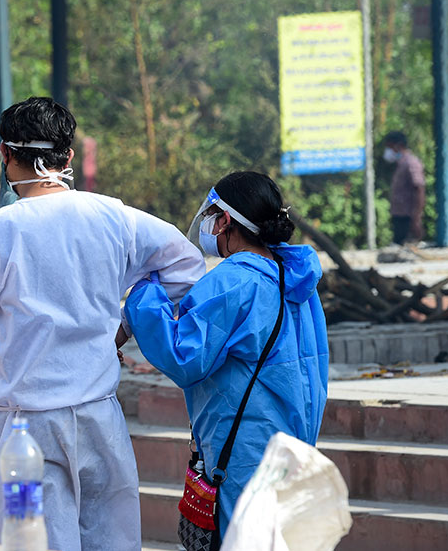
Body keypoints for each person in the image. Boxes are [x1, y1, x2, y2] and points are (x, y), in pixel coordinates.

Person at [0, 96, 205, 551]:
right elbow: (187, 268)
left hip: (22, 436)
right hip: (100, 424)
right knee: (111, 542)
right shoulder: (115, 217)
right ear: (68, 156)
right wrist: (127, 320)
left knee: (26, 544)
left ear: (6, 154)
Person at [124, 171, 329, 545]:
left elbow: (184, 356)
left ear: (225, 220)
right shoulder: (295, 278)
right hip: (292, 446)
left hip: (244, 452)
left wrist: (144, 294)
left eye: (211, 215)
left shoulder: (233, 281)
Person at [382, 131, 426, 245]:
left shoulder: (411, 163)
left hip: (408, 216)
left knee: (406, 247)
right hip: (399, 214)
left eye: (390, 147)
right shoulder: (401, 163)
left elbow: (419, 189)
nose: (388, 151)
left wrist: (416, 217)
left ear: (398, 145)